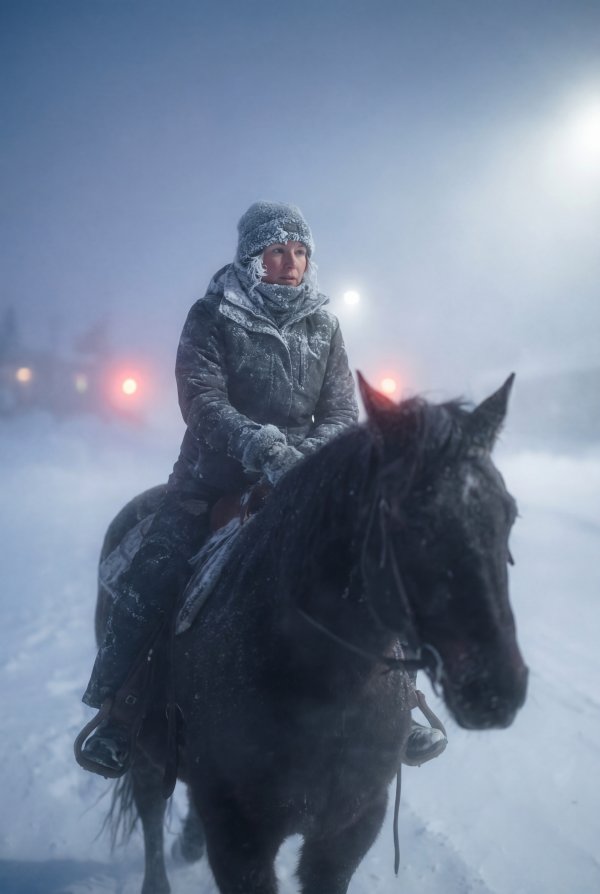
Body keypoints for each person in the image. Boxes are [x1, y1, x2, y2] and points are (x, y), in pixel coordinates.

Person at [78, 201, 446, 776]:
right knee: (157, 570)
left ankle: (398, 707)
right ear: (252, 257)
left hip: (303, 480)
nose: (291, 262)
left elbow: (339, 410)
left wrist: (305, 460)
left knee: (371, 557)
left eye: (300, 251)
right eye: (277, 250)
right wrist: (264, 448)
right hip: (211, 480)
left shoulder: (324, 323)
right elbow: (202, 400)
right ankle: (118, 711)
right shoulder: (211, 315)